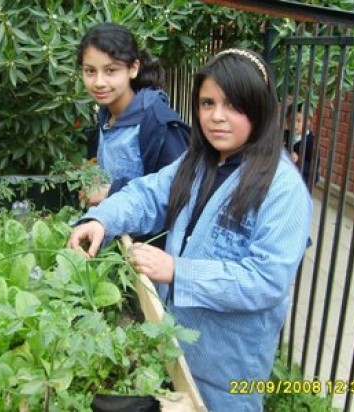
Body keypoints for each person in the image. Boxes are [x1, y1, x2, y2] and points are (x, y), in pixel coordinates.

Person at [68, 48, 313, 411]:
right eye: (207, 103)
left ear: (260, 109)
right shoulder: (200, 161)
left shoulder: (283, 189)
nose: (217, 117)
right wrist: (100, 219)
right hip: (176, 346)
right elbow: (148, 195)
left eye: (233, 106)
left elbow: (266, 280)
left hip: (228, 369)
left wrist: (177, 271)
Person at [77, 22, 190, 206]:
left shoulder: (156, 120)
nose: (98, 82)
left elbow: (178, 191)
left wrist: (111, 191)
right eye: (90, 71)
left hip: (150, 234)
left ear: (133, 68)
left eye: (111, 71)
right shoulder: (105, 114)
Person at [284, 102, 320, 185]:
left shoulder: (311, 141)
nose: (294, 124)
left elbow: (313, 165)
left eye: (298, 121)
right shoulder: (285, 134)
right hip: (286, 177)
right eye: (291, 120)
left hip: (303, 180)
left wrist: (298, 160)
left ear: (308, 122)